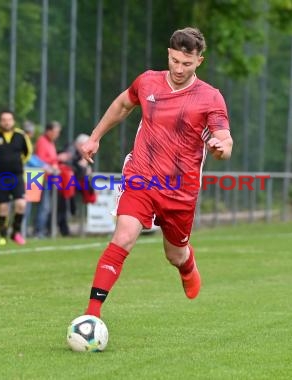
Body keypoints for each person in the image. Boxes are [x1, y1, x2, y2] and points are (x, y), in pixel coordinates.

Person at [78, 27, 233, 318]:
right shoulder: (148, 82)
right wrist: (95, 136)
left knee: (174, 254)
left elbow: (225, 138)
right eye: (175, 60)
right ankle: (92, 315)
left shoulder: (210, 97)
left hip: (180, 189)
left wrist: (219, 147)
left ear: (199, 61)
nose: (179, 68)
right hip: (141, 177)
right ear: (169, 54)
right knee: (123, 237)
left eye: (187, 63)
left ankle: (187, 265)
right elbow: (123, 104)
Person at [0, 109, 32, 246]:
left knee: (21, 204)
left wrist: (17, 163)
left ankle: (16, 232)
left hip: (17, 175)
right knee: (2, 207)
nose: (6, 122)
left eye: (9, 119)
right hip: (0, 176)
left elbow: (28, 152)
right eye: (4, 120)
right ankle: (2, 235)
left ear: (13, 121)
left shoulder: (20, 136)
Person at [56, 133, 92, 236]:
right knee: (60, 207)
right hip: (61, 184)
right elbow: (70, 167)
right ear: (80, 144)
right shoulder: (71, 150)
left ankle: (65, 230)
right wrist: (83, 167)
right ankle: (60, 230)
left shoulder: (78, 152)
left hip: (70, 184)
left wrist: (85, 168)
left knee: (63, 207)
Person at [33, 120, 62, 238]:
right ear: (49, 131)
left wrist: (56, 164)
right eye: (56, 132)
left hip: (49, 178)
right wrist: (54, 162)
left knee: (47, 206)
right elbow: (40, 160)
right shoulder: (42, 141)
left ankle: (41, 230)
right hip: (41, 178)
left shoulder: (51, 143)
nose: (57, 135)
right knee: (44, 206)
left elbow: (52, 159)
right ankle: (38, 231)